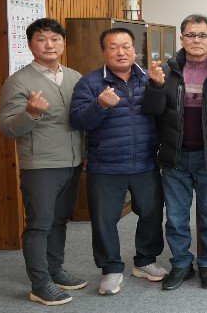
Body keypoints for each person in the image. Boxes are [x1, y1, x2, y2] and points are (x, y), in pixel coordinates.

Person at [141, 14, 207, 290]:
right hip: (176, 157)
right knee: (176, 218)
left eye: (202, 35)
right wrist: (154, 86)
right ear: (181, 38)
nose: (197, 40)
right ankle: (182, 264)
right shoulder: (166, 72)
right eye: (191, 35)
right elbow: (152, 111)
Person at [69, 28, 165, 296]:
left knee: (151, 212)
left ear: (135, 50)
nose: (121, 52)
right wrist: (100, 105)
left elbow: (161, 116)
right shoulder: (90, 83)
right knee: (104, 219)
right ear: (104, 52)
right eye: (113, 47)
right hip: (106, 163)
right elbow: (78, 121)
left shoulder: (149, 78)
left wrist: (158, 87)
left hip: (145, 161)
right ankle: (110, 269)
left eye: (126, 46)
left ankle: (145, 261)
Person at [0, 18, 85, 306]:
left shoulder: (74, 76)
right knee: (39, 223)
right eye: (41, 39)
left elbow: (81, 120)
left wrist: (85, 154)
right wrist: (31, 113)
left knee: (59, 220)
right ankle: (40, 283)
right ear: (30, 44)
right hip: (41, 166)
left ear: (63, 43)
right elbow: (7, 128)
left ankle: (55, 270)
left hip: (72, 162)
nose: (49, 45)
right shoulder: (18, 81)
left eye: (55, 39)